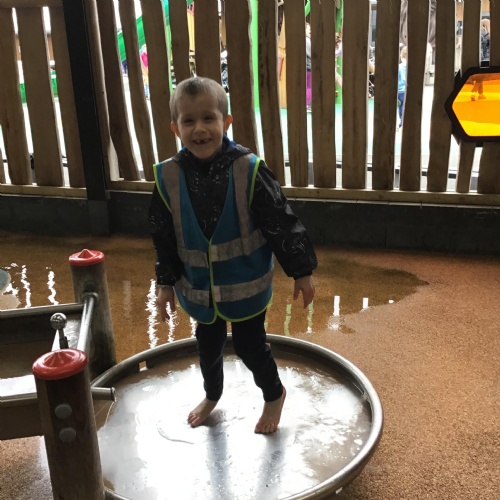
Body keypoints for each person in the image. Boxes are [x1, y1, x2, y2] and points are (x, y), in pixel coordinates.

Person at [149, 76, 317, 434]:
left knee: (249, 346)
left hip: (245, 286)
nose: (199, 129)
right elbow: (163, 236)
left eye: (208, 118)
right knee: (206, 346)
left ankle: (274, 394)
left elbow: (280, 221)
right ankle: (212, 394)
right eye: (189, 121)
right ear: (175, 128)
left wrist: (301, 270)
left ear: (225, 122)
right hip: (200, 290)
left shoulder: (248, 168)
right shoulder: (169, 177)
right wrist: (164, 283)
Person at [471, 18, 490, 101]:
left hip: (477, 57)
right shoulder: (487, 34)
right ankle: (473, 92)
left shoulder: (477, 34)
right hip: (485, 58)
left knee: (480, 77)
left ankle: (480, 94)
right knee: (481, 77)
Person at [397, 46, 407, 130]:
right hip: (406, 90)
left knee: (399, 107)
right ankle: (403, 122)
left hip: (399, 91)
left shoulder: (399, 67)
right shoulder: (412, 68)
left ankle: (400, 122)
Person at [306, 23, 312, 111]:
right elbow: (311, 53)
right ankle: (307, 104)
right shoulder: (307, 40)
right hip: (308, 66)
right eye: (308, 29)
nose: (310, 31)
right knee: (309, 86)